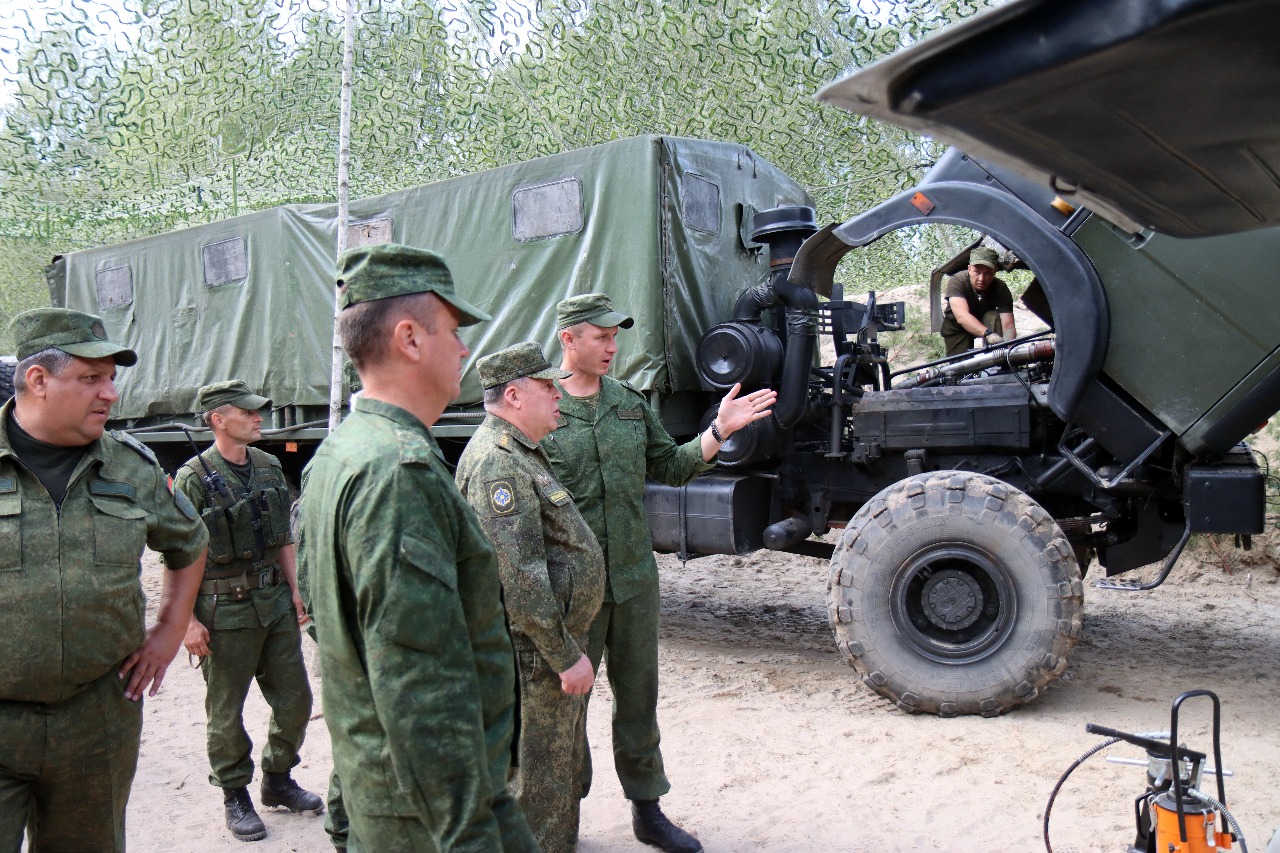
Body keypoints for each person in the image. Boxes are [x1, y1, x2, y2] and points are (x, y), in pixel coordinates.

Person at [295, 244, 537, 852]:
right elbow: (418, 683)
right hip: (431, 815)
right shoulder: (397, 471)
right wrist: (469, 836)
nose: (464, 350)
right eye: (453, 331)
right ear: (409, 338)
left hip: (396, 790)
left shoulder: (343, 451)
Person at [541, 293, 776, 853]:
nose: (612, 347)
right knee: (563, 705)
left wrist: (718, 431)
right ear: (569, 338)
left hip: (633, 581)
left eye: (615, 337)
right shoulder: (538, 406)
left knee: (638, 699)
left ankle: (647, 810)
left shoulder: (628, 403)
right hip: (572, 589)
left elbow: (670, 466)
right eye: (601, 337)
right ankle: (562, 811)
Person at [0, 308, 209, 851]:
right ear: (38, 380)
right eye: (91, 378)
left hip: (96, 720)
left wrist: (168, 633)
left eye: (112, 378)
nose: (111, 393)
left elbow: (190, 542)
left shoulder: (130, 466)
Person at [455, 342, 605, 853]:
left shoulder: (520, 451)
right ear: (514, 396)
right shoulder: (498, 464)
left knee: (553, 764)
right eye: (546, 387)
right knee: (538, 772)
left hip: (541, 644)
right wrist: (564, 655)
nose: (558, 394)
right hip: (533, 650)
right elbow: (519, 576)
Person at [175, 380, 323, 841]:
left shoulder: (268, 466)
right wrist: (187, 621)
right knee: (226, 712)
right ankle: (234, 794)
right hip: (223, 611)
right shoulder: (192, 478)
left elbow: (282, 537)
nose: (260, 418)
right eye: (248, 412)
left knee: (296, 701)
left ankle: (278, 779)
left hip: (274, 604)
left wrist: (296, 590)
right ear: (219, 419)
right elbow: (178, 554)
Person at [938, 246, 1018, 356]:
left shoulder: (1001, 288)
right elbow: (962, 317)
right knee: (960, 365)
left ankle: (997, 356)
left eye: (987, 273)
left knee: (994, 316)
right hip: (957, 327)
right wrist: (988, 334)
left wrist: (1008, 346)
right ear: (969, 268)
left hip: (986, 322)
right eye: (977, 272)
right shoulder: (957, 281)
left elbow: (1008, 325)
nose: (981, 279)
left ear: (995, 271)